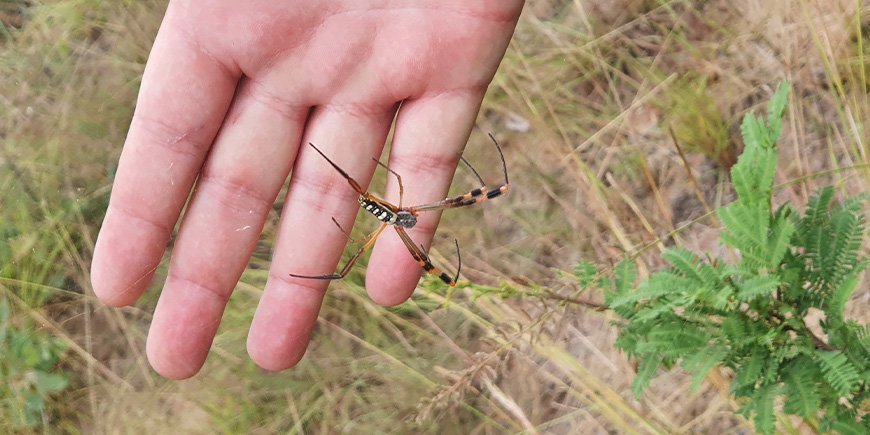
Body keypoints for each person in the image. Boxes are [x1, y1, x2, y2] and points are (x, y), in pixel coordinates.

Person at [90, 0, 525, 380]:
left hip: (391, 210)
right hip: (388, 206)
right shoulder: (402, 212)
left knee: (450, 226)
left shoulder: (404, 223)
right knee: (404, 208)